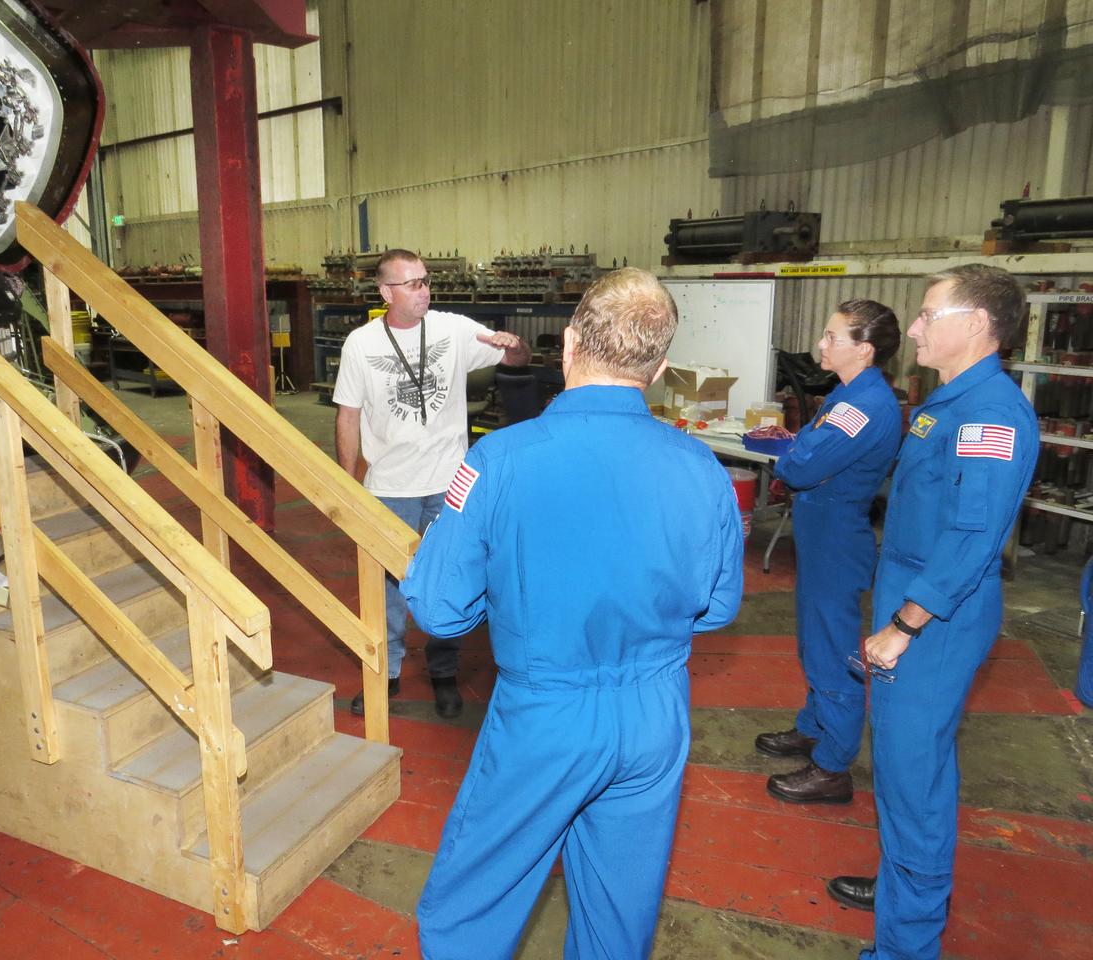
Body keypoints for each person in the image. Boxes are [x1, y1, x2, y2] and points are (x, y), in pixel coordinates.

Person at [401, 268, 745, 958]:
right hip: (655, 713)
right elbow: (716, 607)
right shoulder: (700, 466)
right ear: (660, 368)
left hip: (547, 714)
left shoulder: (500, 459)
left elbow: (440, 608)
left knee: (469, 911)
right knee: (618, 917)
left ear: (567, 345)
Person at [827, 265, 1040, 960]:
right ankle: (902, 893)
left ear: (977, 324)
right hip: (913, 606)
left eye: (927, 314)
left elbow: (972, 541)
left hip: (934, 625)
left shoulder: (989, 414)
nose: (913, 327)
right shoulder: (944, 404)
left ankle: (906, 946)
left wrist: (903, 627)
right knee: (899, 769)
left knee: (913, 779)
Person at [333, 248, 529, 719]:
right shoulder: (360, 344)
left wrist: (514, 343)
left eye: (425, 281)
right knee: (386, 589)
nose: (423, 291)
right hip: (389, 485)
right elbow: (348, 416)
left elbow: (518, 361)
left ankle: (444, 672)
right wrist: (347, 484)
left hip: (449, 484)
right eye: (412, 283)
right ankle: (388, 672)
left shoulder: (453, 329)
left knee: (450, 579)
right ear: (386, 292)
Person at [757, 300, 902, 803]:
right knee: (814, 640)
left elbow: (796, 467)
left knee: (832, 649)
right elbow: (806, 451)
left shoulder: (864, 405)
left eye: (831, 337)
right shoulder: (846, 393)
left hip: (838, 539)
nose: (821, 344)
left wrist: (795, 453)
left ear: (863, 349)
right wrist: (800, 450)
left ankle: (833, 764)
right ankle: (815, 725)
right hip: (822, 534)